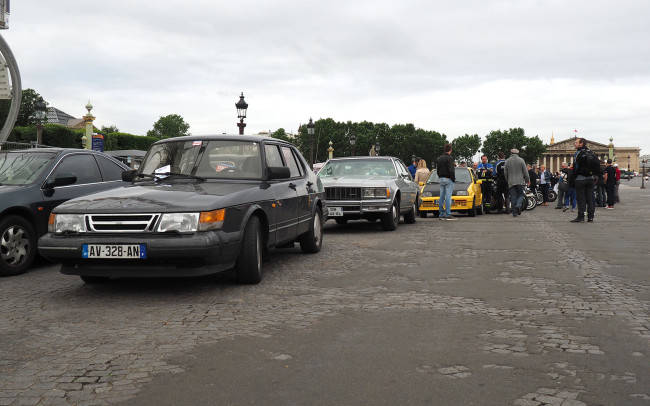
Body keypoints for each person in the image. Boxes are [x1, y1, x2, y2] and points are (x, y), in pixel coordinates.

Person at [569, 138, 599, 223]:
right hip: (590, 179)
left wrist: (573, 177)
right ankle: (591, 217)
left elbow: (576, 166)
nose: (574, 144)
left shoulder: (578, 154)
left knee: (581, 198)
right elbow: (597, 166)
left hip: (580, 178)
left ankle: (581, 216)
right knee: (590, 198)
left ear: (581, 144)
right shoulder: (592, 153)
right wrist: (595, 176)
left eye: (576, 142)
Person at [504, 148, 530, 217]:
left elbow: (505, 173)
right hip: (520, 181)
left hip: (511, 182)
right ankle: (518, 205)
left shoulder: (507, 161)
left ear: (511, 153)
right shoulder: (521, 160)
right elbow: (525, 172)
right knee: (521, 194)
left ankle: (514, 213)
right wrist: (527, 180)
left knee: (513, 197)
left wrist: (508, 180)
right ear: (517, 153)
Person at [437, 143, 456, 220]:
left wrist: (440, 176)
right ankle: (448, 214)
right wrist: (453, 178)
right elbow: (451, 170)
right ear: (450, 149)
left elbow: (437, 170)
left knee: (441, 196)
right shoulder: (450, 158)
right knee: (448, 197)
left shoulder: (439, 158)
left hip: (441, 178)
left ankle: (441, 213)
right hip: (448, 178)